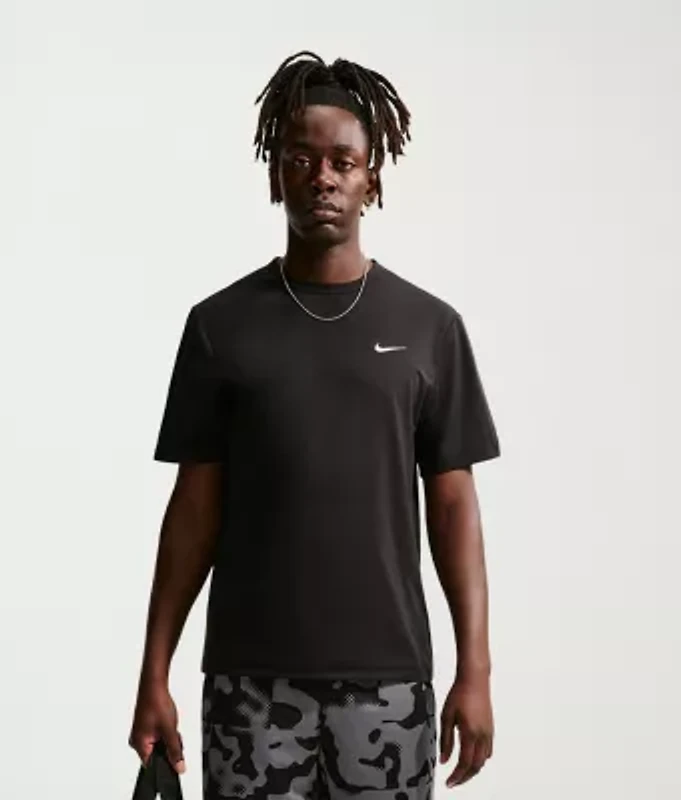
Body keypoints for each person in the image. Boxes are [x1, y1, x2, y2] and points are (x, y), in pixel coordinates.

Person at [128, 50, 501, 798]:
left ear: (372, 178)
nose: (322, 177)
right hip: (249, 690)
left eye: (343, 161)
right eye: (301, 159)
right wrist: (153, 674)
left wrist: (476, 671)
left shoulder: (429, 328)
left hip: (389, 687)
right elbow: (193, 511)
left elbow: (454, 507)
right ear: (276, 174)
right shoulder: (219, 327)